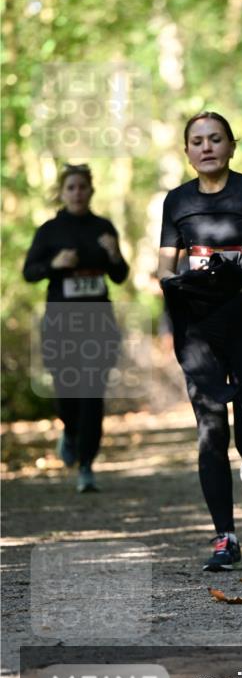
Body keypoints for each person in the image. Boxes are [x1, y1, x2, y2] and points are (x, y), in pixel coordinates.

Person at [157, 112, 242, 572]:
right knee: (211, 430)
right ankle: (224, 537)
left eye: (215, 139)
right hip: (199, 324)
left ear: (231, 145)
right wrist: (178, 282)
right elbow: (164, 267)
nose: (206, 147)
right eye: (197, 141)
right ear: (187, 152)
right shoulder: (177, 201)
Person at [23, 163, 129, 492]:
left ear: (91, 190)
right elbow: (29, 272)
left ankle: (86, 465)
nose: (77, 193)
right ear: (62, 192)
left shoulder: (103, 227)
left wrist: (113, 254)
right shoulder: (49, 231)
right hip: (61, 322)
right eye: (71, 187)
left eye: (82, 187)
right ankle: (69, 431)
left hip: (98, 322)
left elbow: (120, 275)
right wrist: (54, 264)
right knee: (66, 390)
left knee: (92, 394)